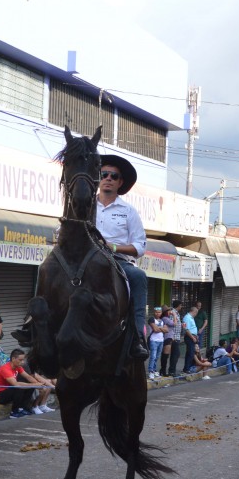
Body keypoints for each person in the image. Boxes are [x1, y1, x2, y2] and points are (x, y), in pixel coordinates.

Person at [94, 153, 149, 360]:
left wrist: (112, 247)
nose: (108, 178)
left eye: (113, 176)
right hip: (84, 258)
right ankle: (33, 325)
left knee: (138, 277)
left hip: (116, 261)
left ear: (120, 183)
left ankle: (137, 338)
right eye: (104, 174)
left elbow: (140, 246)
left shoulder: (129, 211)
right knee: (48, 267)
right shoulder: (84, 204)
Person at [0, 348, 50, 418]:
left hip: (8, 392)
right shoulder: (5, 369)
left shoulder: (18, 367)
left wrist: (39, 385)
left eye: (23, 360)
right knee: (18, 387)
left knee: (29, 386)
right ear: (13, 359)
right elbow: (15, 384)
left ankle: (23, 408)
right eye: (20, 360)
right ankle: (14, 412)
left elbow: (28, 377)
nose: (23, 362)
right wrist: (35, 384)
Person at [147, 306, 168, 379]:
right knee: (153, 356)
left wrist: (159, 328)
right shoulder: (151, 319)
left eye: (159, 312)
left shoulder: (163, 320)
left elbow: (166, 330)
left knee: (157, 357)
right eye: (156, 312)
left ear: (161, 313)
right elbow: (155, 330)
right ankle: (150, 371)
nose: (157, 313)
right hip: (153, 340)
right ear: (154, 312)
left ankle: (154, 369)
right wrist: (162, 329)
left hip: (161, 341)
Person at [162, 301, 183, 377]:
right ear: (178, 305)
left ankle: (171, 370)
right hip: (172, 337)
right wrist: (173, 336)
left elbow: (176, 324)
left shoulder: (176, 313)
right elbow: (172, 324)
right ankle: (171, 371)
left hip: (176, 336)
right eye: (181, 305)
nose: (181, 307)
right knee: (175, 354)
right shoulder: (172, 313)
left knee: (175, 354)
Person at [182, 305, 200, 373]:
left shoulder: (191, 318)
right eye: (196, 313)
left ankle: (187, 367)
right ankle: (187, 368)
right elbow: (186, 329)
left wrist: (196, 335)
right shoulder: (187, 318)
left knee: (191, 352)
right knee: (190, 352)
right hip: (189, 337)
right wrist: (192, 337)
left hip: (193, 336)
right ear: (194, 312)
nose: (196, 315)